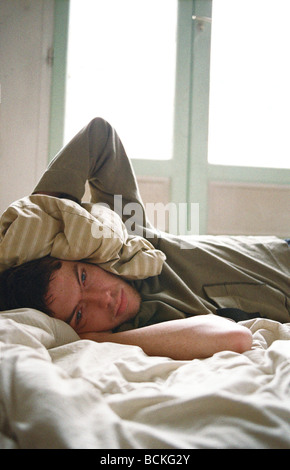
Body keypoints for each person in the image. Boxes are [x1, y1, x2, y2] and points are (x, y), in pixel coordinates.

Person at [0, 118, 289, 359]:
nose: (106, 299)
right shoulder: (147, 334)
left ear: (82, 257)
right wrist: (101, 341)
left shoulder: (131, 241)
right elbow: (234, 337)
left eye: (84, 277)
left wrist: (44, 210)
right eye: (79, 313)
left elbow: (99, 137)